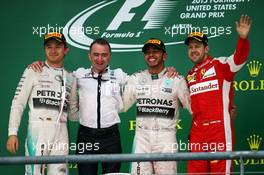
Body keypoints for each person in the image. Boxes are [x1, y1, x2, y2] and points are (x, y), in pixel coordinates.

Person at [184, 15, 252, 174]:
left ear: (206, 48)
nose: (193, 50)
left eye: (197, 46)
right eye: (190, 47)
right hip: (197, 134)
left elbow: (238, 59)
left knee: (221, 172)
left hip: (219, 131)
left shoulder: (220, 65)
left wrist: (242, 38)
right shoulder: (189, 75)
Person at [6, 32, 75, 175]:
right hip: (38, 130)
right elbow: (18, 103)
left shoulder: (71, 77)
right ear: (45, 50)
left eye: (58, 46)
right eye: (49, 47)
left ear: (66, 50)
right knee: (34, 173)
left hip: (62, 132)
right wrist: (12, 133)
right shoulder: (33, 70)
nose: (53, 50)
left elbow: (74, 112)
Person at [122, 38, 192, 174]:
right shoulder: (135, 79)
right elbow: (121, 105)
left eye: (156, 51)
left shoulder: (177, 80)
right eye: (147, 52)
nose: (151, 55)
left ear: (165, 56)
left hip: (166, 139)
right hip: (142, 139)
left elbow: (193, 108)